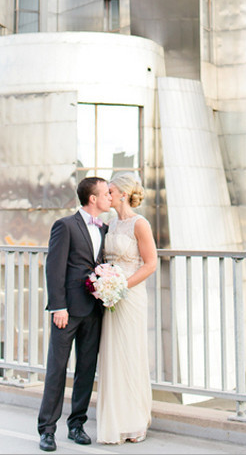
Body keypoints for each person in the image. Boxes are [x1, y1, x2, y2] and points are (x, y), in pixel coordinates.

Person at [37, 176, 112, 452]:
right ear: (92, 199)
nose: (109, 197)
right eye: (106, 193)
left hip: (94, 309)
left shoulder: (104, 229)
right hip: (67, 311)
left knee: (86, 369)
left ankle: (77, 424)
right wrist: (58, 306)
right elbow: (54, 268)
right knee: (57, 369)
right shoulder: (65, 226)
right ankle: (47, 430)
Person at [95, 171, 157, 445]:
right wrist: (104, 284)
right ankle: (115, 420)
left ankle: (133, 421)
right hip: (111, 297)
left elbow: (150, 264)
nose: (106, 195)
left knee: (130, 353)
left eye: (109, 191)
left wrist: (122, 286)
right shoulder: (109, 224)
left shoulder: (139, 224)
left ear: (121, 193)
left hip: (130, 297)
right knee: (112, 356)